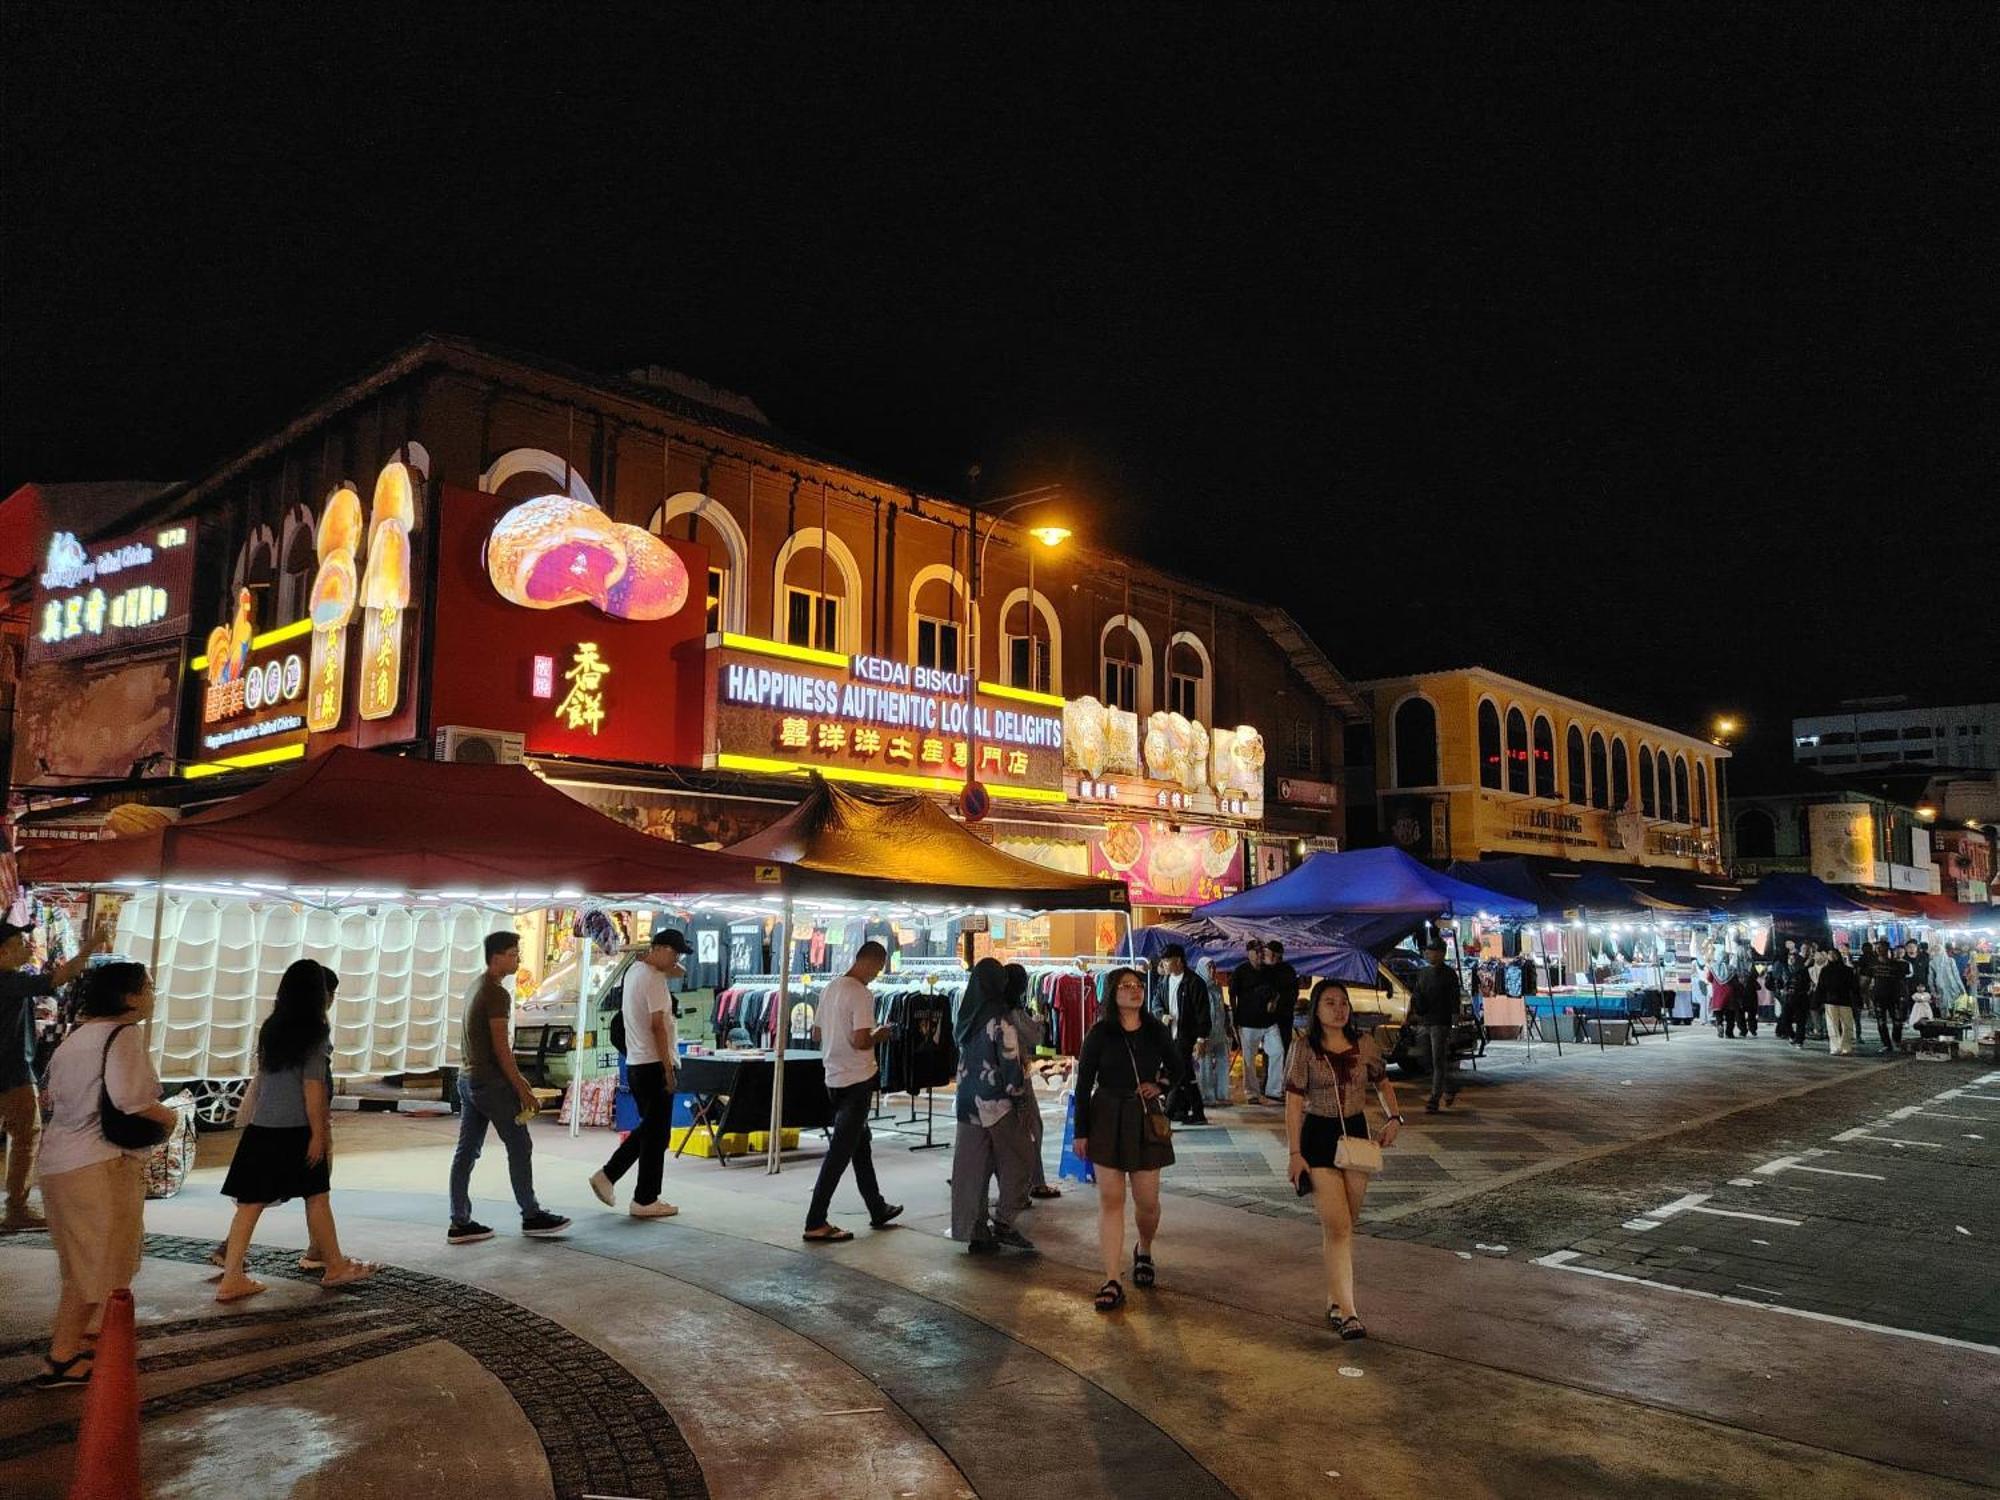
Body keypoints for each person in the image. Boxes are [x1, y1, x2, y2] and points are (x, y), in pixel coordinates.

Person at [33, 962, 180, 1387]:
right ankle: (62, 1357)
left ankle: (89, 1343)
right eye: (147, 987)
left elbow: (55, 1098)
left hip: (61, 1162)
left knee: (81, 1263)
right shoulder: (124, 1035)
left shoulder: (76, 1039)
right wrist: (168, 1118)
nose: (153, 993)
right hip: (99, 1164)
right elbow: (131, 1099)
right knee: (95, 1264)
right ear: (128, 997)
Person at [213, 961, 377, 1302]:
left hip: (262, 1128)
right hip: (297, 1128)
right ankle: (334, 1266)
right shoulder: (314, 1030)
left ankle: (232, 1277)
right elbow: (313, 1086)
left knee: (249, 1204)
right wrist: (319, 1133)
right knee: (316, 1196)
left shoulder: (271, 1026)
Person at [1287, 979, 1405, 1340]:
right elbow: (1293, 1103)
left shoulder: (1364, 1044)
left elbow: (1382, 1081)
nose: (1338, 1009)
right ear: (1316, 1010)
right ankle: (1349, 1311)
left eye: (1343, 1003)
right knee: (1338, 1224)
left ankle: (1335, 1299)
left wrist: (1394, 1117)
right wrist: (1294, 1154)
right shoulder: (1304, 1048)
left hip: (1355, 1137)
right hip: (1318, 1138)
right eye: (1329, 1003)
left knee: (1344, 1225)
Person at [1072, 966, 1185, 1311]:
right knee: (1110, 1199)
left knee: (1147, 1202)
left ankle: (1144, 1249)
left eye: (1138, 985)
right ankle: (1111, 1278)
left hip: (1143, 1116)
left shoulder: (1155, 1030)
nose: (1134, 991)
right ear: (1113, 993)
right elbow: (1083, 1083)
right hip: (1106, 1114)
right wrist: (1081, 1132)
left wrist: (1161, 1085)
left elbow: (1179, 1067)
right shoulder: (1099, 1033)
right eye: (1125, 986)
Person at [447, 931, 570, 1244]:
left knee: (466, 1151)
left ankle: (459, 1220)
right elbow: (502, 1048)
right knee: (519, 1144)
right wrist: (522, 1087)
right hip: (490, 1082)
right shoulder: (496, 994)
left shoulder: (477, 986)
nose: (518, 960)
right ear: (497, 956)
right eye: (514, 954)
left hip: (468, 1078)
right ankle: (531, 1214)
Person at [0, 918, 101, 1233]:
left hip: (12, 1069)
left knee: (25, 1136)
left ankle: (17, 1206)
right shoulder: (8, 981)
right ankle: (16, 1207)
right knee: (27, 1137)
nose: (26, 947)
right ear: (1, 952)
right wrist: (90, 946)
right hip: (12, 1072)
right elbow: (59, 977)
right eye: (18, 944)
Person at [801, 940, 902, 1243]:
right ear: (871, 962)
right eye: (879, 968)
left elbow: (816, 1032)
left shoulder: (830, 988)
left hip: (833, 1077)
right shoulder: (860, 993)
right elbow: (861, 1040)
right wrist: (880, 1035)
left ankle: (876, 1206)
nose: (877, 974)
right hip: (857, 1078)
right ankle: (815, 1220)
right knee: (840, 1153)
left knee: (860, 1146)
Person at [590, 929, 690, 1220]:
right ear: (657, 949)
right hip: (653, 1064)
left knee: (655, 1135)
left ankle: (644, 1197)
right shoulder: (653, 979)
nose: (676, 960)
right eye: (672, 952)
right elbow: (658, 1026)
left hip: (637, 1063)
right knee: (653, 1131)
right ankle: (612, 1176)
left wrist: (663, 958)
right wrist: (668, 1070)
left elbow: (679, 971)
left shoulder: (634, 971)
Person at [948, 957, 1037, 1253]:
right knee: (1020, 1160)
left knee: (972, 1169)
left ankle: (973, 1230)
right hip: (998, 1103)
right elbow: (1009, 1065)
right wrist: (1020, 1100)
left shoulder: (964, 1019)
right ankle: (1005, 1222)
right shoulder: (1000, 1020)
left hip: (966, 1103)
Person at [1002, 962, 1062, 1205]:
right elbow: (1034, 1036)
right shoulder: (1013, 1009)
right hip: (1016, 1074)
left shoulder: (988, 1007)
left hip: (993, 1079)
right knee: (1031, 1128)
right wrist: (1038, 1022)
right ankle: (1031, 1183)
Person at [1149, 945, 1212, 1125]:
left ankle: (1169, 1114)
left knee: (1178, 1074)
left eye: (1167, 961)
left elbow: (1203, 1013)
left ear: (1178, 960)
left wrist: (1201, 1039)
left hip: (1186, 1037)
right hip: (1169, 1037)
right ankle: (1190, 1111)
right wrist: (1161, 1015)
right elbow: (1156, 1002)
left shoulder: (1194, 983)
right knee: (1184, 1075)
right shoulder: (1164, 982)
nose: (1164, 965)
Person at [1408, 939, 1462, 1112]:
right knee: (1425, 1058)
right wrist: (1411, 1015)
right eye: (1427, 951)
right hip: (1425, 1021)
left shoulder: (1449, 974)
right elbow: (1416, 995)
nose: (1428, 954)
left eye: (1431, 951)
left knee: (1437, 1059)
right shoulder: (1423, 973)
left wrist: (1454, 1023)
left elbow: (1455, 1000)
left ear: (1441, 953)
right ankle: (1449, 1086)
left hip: (1441, 1022)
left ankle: (1434, 1098)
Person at [1230, 940, 1281, 1103]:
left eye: (1261, 951)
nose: (1260, 954)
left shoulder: (1270, 971)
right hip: (1247, 1021)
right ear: (1249, 953)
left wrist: (1274, 1001)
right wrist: (1234, 1019)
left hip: (1269, 1021)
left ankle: (1274, 1090)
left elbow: (1277, 991)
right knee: (1248, 1059)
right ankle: (1251, 1093)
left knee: (1278, 1051)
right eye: (1257, 951)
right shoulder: (1240, 971)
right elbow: (1232, 995)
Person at [1864, 938, 1910, 1055]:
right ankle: (1886, 1044)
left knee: (1897, 1021)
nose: (1879, 950)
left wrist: (1902, 996)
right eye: (1877, 948)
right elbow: (1867, 981)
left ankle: (1896, 1041)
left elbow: (1902, 981)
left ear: (1887, 949)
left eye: (1882, 948)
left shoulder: (1897, 964)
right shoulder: (1872, 964)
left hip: (1894, 996)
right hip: (1879, 996)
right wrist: (1866, 996)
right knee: (1881, 1022)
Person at [1816, 944, 1861, 1056]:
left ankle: (1846, 1046)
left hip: (1845, 1000)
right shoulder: (1825, 970)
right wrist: (1818, 1000)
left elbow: (1854, 987)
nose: (1832, 956)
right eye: (1830, 954)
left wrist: (1857, 999)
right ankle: (1835, 1047)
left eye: (1834, 954)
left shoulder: (1847, 970)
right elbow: (1821, 987)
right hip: (1830, 1000)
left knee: (1847, 1024)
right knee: (1832, 1025)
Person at [1778, 944, 1814, 1050]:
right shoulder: (1785, 969)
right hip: (1788, 997)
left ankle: (1799, 1040)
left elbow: (1807, 983)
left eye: (1793, 958)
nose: (1791, 960)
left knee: (1800, 1020)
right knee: (1785, 1018)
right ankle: (1792, 1035)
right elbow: (1780, 981)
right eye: (1790, 958)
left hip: (1800, 997)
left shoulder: (1802, 970)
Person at [1264, 941, 1303, 1039]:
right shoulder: (1263, 970)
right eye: (1268, 954)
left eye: (1273, 955)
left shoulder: (1287, 971)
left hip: (1283, 1016)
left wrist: (1277, 1000)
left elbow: (1293, 994)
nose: (1270, 957)